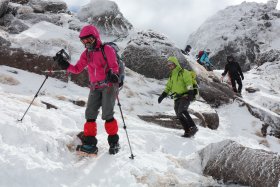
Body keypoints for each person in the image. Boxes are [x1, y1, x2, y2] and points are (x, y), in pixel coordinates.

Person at [56, 24, 120, 155]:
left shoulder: (106, 49)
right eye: (83, 40)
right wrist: (65, 65)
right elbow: (77, 69)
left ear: (95, 37)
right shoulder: (86, 54)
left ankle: (114, 142)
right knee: (90, 114)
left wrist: (113, 74)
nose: (86, 42)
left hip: (108, 86)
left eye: (88, 39)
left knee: (107, 114)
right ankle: (90, 143)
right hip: (95, 87)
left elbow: (114, 65)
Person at [158, 56, 198, 138]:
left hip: (185, 96)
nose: (169, 66)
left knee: (182, 111)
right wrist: (163, 95)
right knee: (179, 114)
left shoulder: (183, 72)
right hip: (177, 97)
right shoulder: (172, 75)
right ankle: (187, 131)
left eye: (171, 64)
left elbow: (188, 83)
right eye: (168, 65)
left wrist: (190, 93)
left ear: (175, 64)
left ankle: (193, 127)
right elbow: (168, 87)